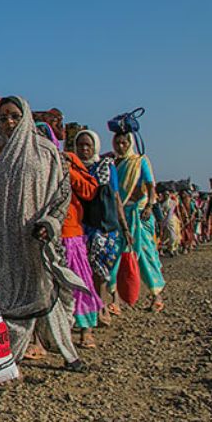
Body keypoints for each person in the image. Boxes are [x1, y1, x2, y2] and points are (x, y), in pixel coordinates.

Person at [0, 97, 87, 371]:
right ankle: (5, 363)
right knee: (8, 301)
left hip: (34, 239)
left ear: (25, 117)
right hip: (2, 243)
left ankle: (68, 353)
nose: (9, 122)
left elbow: (62, 193)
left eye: (14, 116)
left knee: (45, 295)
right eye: (3, 118)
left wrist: (50, 222)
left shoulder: (47, 152)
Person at [74, 129, 128, 322]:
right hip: (83, 227)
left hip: (105, 228)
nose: (84, 149)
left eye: (88, 145)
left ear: (95, 146)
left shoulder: (106, 166)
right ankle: (95, 309)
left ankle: (100, 306)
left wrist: (124, 226)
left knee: (101, 273)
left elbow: (115, 197)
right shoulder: (74, 168)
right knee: (86, 272)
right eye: (80, 145)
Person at [113, 130, 166, 310]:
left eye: (124, 143)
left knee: (145, 253)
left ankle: (156, 295)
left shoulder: (139, 161)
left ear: (130, 144)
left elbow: (151, 185)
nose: (121, 146)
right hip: (120, 214)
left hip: (140, 213)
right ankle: (115, 299)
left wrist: (150, 206)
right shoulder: (113, 163)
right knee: (116, 254)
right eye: (117, 143)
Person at [58, 128, 102, 348]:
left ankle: (86, 329)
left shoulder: (68, 159)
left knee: (80, 283)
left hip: (71, 233)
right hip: (47, 235)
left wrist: (69, 171)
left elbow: (89, 190)